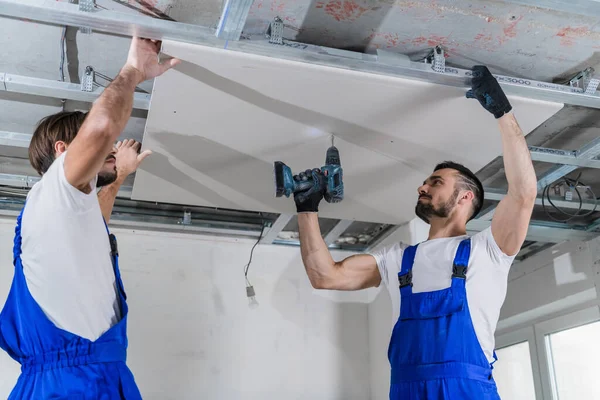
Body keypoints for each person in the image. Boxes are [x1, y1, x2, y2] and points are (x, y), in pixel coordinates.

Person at [293, 66, 536, 399]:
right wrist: (306, 208)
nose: (422, 186)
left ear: (466, 197)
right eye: (426, 181)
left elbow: (522, 193)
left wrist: (502, 111)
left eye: (436, 182)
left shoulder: (488, 251)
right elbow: (325, 277)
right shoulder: (396, 259)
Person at [0, 37, 179, 399]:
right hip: (68, 384)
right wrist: (133, 71)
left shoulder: (65, 214)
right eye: (100, 148)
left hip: (91, 376)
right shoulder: (52, 191)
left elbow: (94, 226)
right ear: (63, 151)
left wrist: (120, 175)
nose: (112, 146)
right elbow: (99, 130)